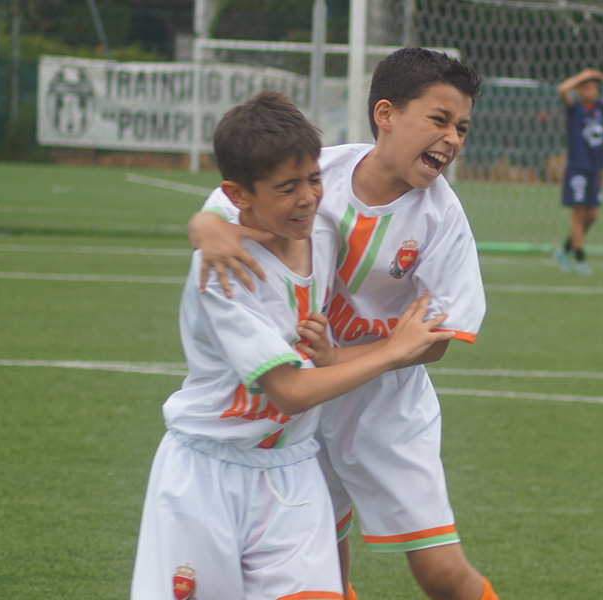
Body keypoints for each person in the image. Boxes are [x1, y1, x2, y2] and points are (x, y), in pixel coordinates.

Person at [187, 49, 499, 600]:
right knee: (322, 564)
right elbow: (225, 205)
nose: (452, 138)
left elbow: (434, 341)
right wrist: (206, 226)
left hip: (385, 406)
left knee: (441, 572)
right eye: (440, 119)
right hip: (304, 407)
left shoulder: (442, 218)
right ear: (386, 114)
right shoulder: (316, 173)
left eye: (463, 127)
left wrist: (343, 357)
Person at [131, 90, 455, 600]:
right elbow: (289, 392)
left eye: (314, 179)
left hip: (294, 473)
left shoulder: (321, 230)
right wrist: (394, 350)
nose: (307, 197)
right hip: (208, 474)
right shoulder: (222, 273)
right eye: (287, 188)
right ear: (238, 196)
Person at [554, 67, 603, 274]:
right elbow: (562, 89)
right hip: (578, 168)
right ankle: (579, 258)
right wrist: (583, 76)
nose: (593, 91)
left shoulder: (600, 108)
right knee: (579, 214)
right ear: (579, 91)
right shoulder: (574, 108)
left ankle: (566, 249)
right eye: (587, 87)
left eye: (595, 88)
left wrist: (602, 77)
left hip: (596, 168)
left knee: (592, 216)